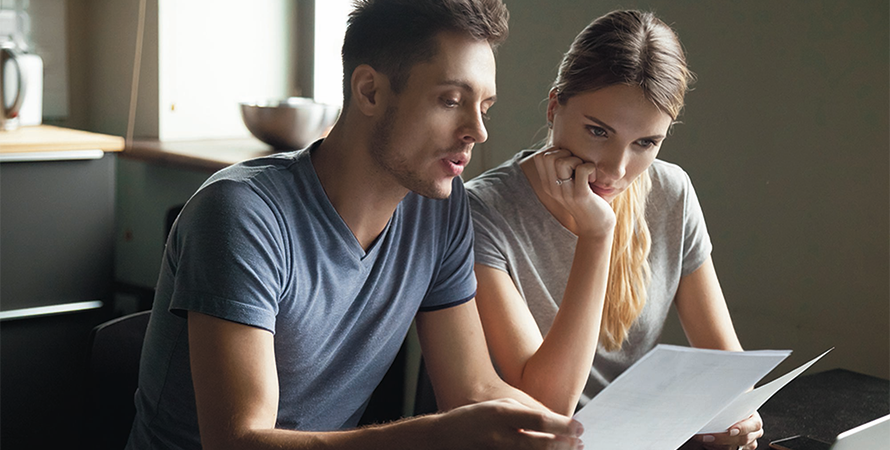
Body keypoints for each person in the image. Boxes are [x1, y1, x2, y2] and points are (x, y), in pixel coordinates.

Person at [124, 1, 586, 449]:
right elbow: (236, 442)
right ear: (369, 91)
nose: (477, 131)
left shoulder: (439, 209)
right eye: (450, 100)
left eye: (483, 106)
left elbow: (473, 389)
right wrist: (434, 436)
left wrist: (570, 438)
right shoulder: (242, 213)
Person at [466, 10, 763, 450]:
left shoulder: (671, 192)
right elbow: (547, 408)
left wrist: (739, 414)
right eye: (598, 131)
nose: (617, 169)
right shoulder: (481, 210)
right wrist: (598, 235)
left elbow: (726, 367)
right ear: (554, 106)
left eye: (646, 143)